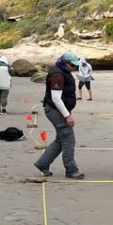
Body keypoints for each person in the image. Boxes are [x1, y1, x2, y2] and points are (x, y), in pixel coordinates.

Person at [34, 51, 85, 179]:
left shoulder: (63, 72)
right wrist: (67, 115)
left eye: (76, 66)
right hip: (54, 109)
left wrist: (67, 111)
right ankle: (71, 170)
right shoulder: (57, 74)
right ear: (65, 63)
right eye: (73, 66)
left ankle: (42, 163)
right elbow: (56, 98)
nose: (74, 68)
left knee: (60, 139)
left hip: (57, 109)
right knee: (68, 138)